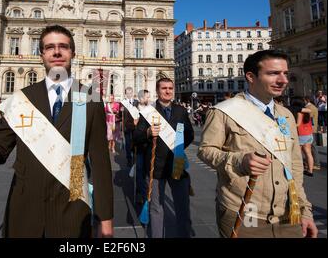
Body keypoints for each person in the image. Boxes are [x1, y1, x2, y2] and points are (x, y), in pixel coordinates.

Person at [0, 25, 114, 238]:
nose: (57, 52)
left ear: (72, 53)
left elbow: (100, 164)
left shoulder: (89, 98)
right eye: (50, 47)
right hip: (24, 213)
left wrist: (105, 220)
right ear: (41, 54)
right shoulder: (22, 98)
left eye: (63, 46)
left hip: (72, 214)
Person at [198, 50, 317, 238]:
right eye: (273, 73)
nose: (283, 80)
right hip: (244, 211)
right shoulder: (224, 111)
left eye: (285, 73)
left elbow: (294, 166)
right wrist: (239, 161)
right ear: (251, 77)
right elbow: (205, 151)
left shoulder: (285, 115)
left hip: (288, 212)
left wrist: (304, 209)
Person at [134, 78, 194, 238]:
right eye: (164, 88)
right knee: (156, 209)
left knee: (183, 207)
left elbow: (190, 134)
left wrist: (179, 145)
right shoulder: (148, 111)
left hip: (177, 162)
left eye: (170, 88)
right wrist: (147, 133)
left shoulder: (181, 111)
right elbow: (136, 137)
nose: (167, 91)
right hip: (156, 166)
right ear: (157, 91)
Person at [133, 89, 150, 204]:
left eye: (149, 97)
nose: (148, 99)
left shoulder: (152, 110)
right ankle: (141, 193)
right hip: (138, 145)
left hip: (149, 145)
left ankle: (147, 192)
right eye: (147, 97)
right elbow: (129, 124)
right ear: (140, 98)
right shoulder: (134, 109)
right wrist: (134, 124)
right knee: (139, 169)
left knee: (148, 171)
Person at [121, 87, 139, 166]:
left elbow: (140, 114)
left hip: (135, 126)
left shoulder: (137, 102)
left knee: (135, 143)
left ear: (132, 93)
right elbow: (119, 115)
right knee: (128, 144)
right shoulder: (123, 103)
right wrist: (120, 111)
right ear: (125, 94)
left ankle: (135, 158)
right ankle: (129, 159)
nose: (129, 94)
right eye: (127, 93)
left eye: (130, 93)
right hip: (127, 126)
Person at [304, 96, 321, 170]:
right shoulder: (313, 107)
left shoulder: (309, 107)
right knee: (312, 146)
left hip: (310, 129)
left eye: (304, 100)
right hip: (313, 128)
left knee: (313, 147)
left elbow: (308, 118)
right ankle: (314, 163)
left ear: (307, 100)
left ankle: (316, 163)